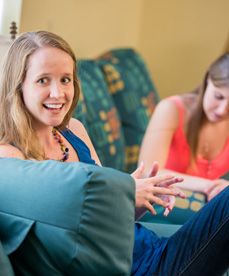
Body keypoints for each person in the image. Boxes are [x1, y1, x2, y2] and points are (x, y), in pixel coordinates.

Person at [0, 31, 229, 276]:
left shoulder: (73, 130)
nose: (58, 93)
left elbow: (110, 222)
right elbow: (66, 242)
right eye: (43, 80)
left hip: (149, 246)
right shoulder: (10, 160)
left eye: (65, 79)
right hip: (134, 269)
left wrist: (140, 197)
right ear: (18, 86)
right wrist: (122, 193)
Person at [139, 53, 229, 203]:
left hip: (203, 204)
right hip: (162, 200)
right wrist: (208, 185)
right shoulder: (171, 109)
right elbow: (148, 172)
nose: (222, 110)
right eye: (218, 97)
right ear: (208, 80)